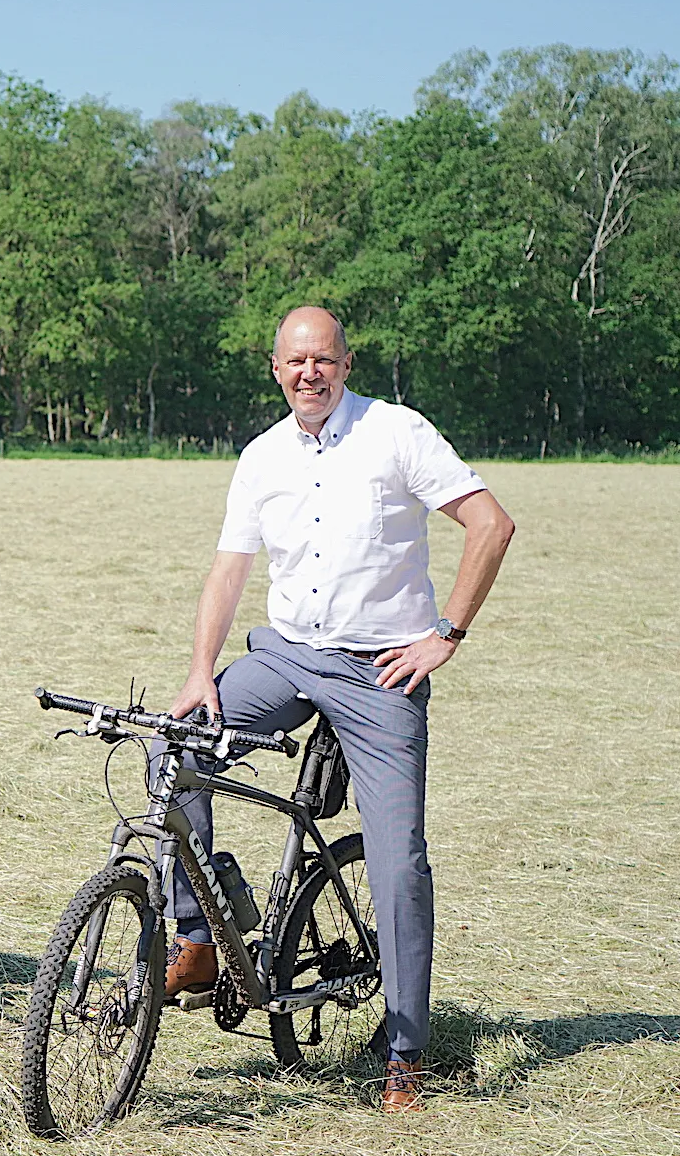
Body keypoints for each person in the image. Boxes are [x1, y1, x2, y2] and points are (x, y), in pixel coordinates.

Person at [166, 305, 517, 1111]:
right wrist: (198, 671)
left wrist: (444, 635)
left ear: (346, 364)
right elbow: (228, 572)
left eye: (323, 360)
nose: (308, 374)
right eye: (295, 362)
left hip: (378, 674)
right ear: (275, 368)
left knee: (399, 865)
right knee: (174, 745)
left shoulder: (396, 433)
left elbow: (491, 526)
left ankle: (405, 1051)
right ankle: (198, 939)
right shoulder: (260, 457)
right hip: (287, 656)